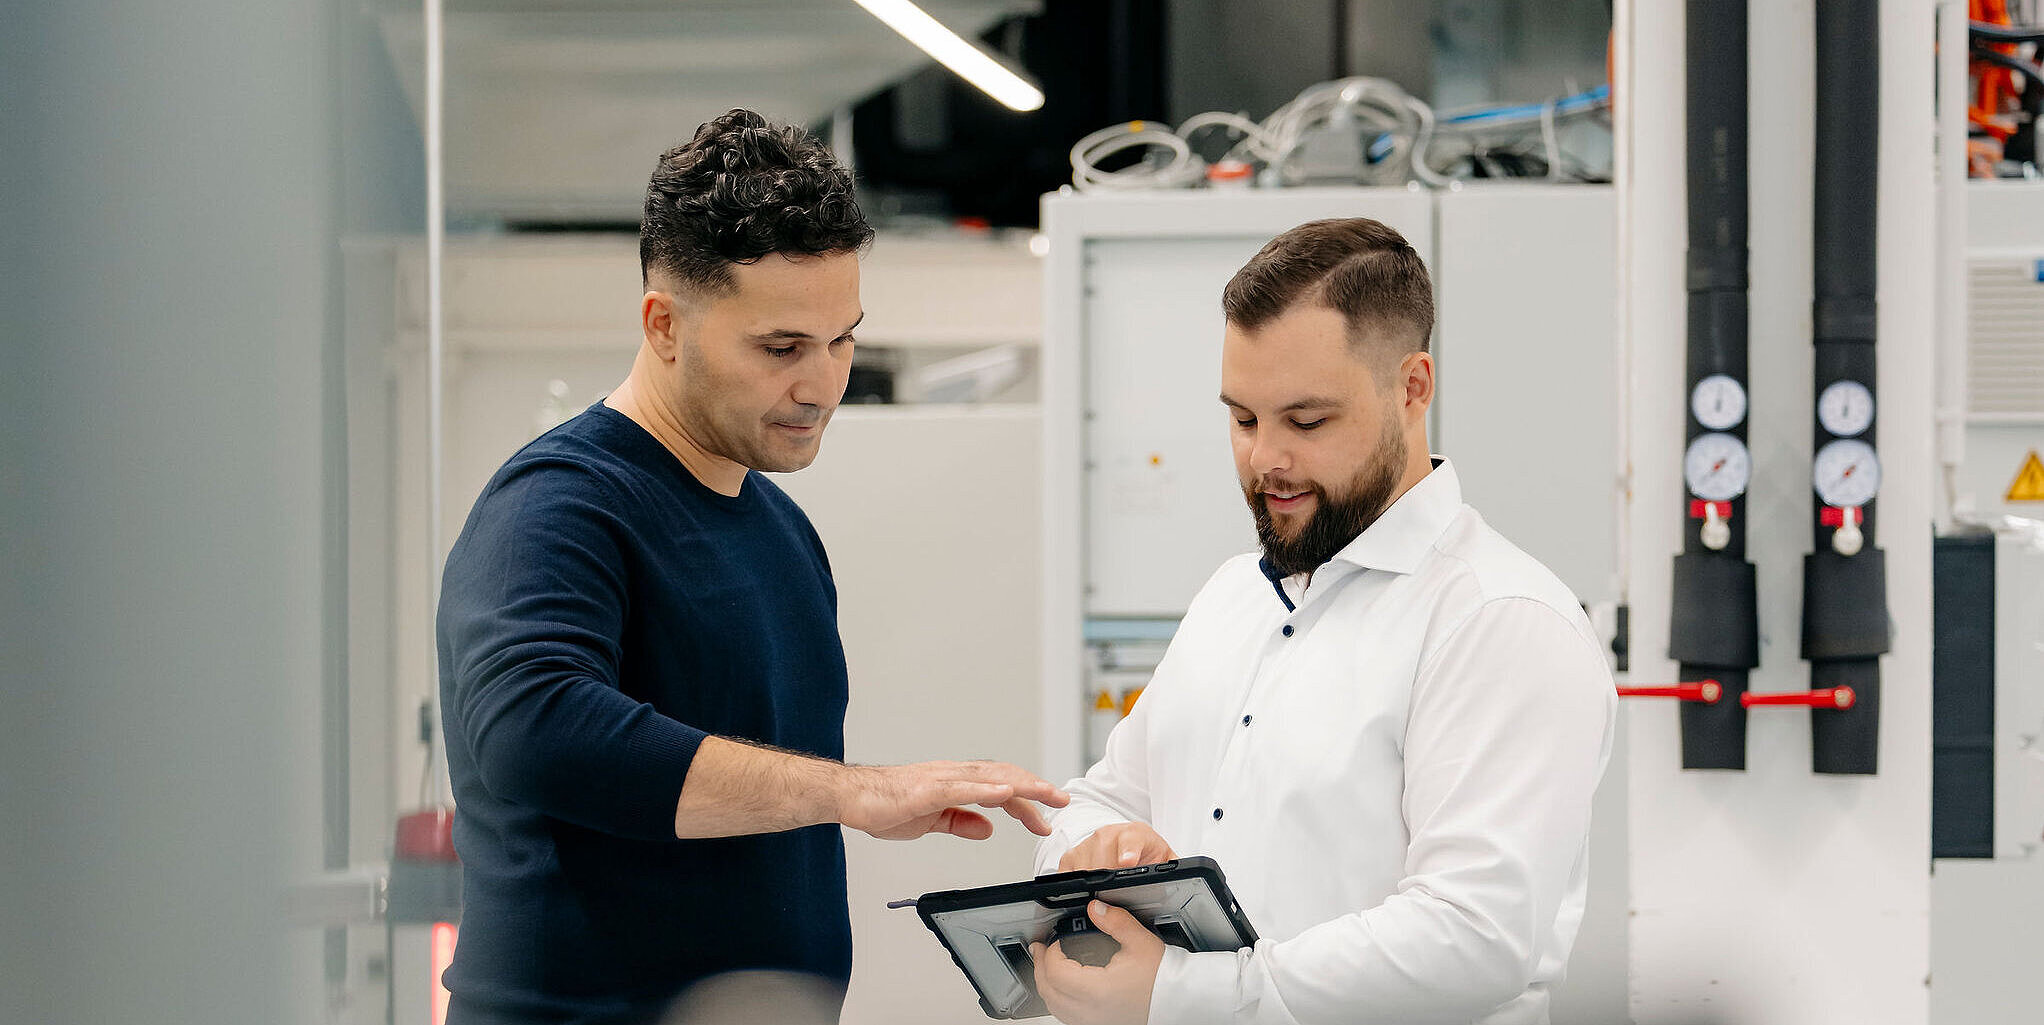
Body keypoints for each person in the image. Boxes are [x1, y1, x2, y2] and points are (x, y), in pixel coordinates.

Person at [436, 109, 1067, 1025]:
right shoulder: (558, 504)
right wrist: (859, 791)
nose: (822, 383)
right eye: (781, 349)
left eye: (841, 338)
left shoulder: (780, 529)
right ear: (663, 325)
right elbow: (536, 729)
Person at [1027, 218, 1615, 1025]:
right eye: (1243, 418)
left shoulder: (1499, 619)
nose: (1266, 458)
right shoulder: (1231, 598)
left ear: (1412, 388)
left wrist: (1183, 994)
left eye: (1306, 422)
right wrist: (1096, 851)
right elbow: (1095, 800)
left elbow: (1474, 935)